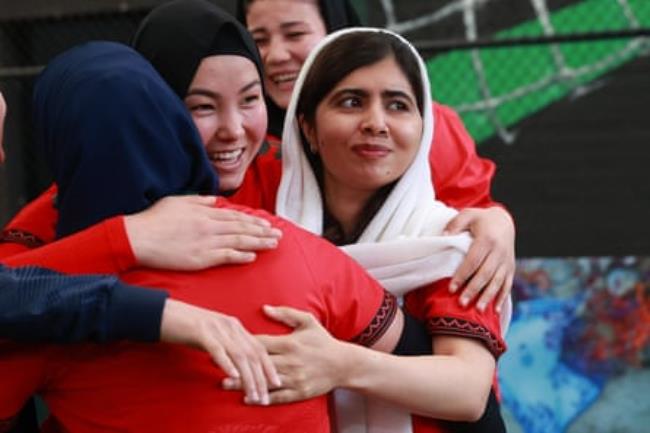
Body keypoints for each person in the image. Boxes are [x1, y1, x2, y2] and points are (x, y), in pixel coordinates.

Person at [0, 41, 403, 433]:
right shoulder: (282, 240)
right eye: (204, 106)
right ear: (175, 121)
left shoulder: (46, 310)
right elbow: (402, 342)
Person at [225, 28, 507, 433]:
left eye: (397, 105)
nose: (376, 123)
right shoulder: (269, 236)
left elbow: (466, 390)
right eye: (352, 102)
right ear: (307, 128)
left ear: (422, 128)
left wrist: (339, 365)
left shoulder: (449, 244)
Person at [236, 0, 516, 312]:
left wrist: (498, 222)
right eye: (258, 40)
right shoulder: (240, 140)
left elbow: (468, 219)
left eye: (295, 34)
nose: (275, 55)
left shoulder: (432, 130)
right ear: (308, 130)